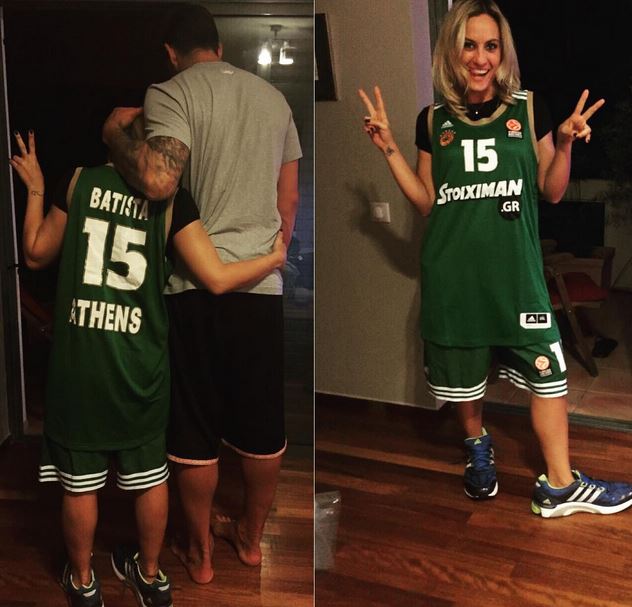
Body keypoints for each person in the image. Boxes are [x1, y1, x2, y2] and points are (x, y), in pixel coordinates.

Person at [359, 0, 632, 518]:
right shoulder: (432, 120)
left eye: (490, 46)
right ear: (452, 51)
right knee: (465, 381)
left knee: (550, 375)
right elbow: (427, 202)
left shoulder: (529, 109)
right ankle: (477, 446)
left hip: (516, 275)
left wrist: (566, 145)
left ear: (503, 53)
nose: (480, 58)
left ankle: (560, 485)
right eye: (469, 45)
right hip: (454, 277)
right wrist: (389, 148)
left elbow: (552, 191)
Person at [9, 122, 286, 607]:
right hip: (142, 367)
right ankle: (151, 577)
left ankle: (83, 582)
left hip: (79, 365)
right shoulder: (173, 201)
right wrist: (273, 258)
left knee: (80, 485)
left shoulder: (78, 181)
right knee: (149, 478)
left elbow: (34, 254)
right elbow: (217, 278)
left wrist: (35, 186)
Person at [102, 4, 301, 583]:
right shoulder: (276, 101)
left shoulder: (170, 92)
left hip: (194, 286)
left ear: (171, 52)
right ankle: (250, 541)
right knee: (262, 424)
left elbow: (159, 179)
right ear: (218, 44)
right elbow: (288, 200)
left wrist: (114, 135)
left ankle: (200, 554)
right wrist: (272, 255)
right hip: (261, 287)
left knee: (194, 428)